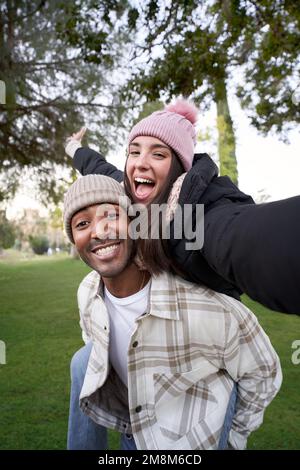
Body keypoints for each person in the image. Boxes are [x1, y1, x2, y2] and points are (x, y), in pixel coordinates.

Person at [64, 174, 282, 450]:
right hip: (134, 435)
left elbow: (264, 370)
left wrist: (234, 437)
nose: (99, 231)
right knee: (82, 359)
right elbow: (93, 337)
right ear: (75, 239)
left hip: (191, 443)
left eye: (111, 215)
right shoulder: (87, 292)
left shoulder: (201, 306)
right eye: (82, 224)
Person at [65, 101, 300, 315]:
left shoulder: (196, 212)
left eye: (158, 154)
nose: (140, 163)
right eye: (134, 152)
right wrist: (74, 147)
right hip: (151, 332)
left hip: (211, 340)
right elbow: (98, 167)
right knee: (81, 361)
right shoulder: (127, 194)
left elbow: (240, 235)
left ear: (179, 166)